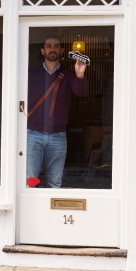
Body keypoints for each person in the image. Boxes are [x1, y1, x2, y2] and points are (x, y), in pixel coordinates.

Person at [26, 34, 89, 188]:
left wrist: (80, 75)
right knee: (30, 182)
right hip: (33, 134)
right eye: (48, 45)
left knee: (55, 182)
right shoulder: (31, 73)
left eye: (56, 46)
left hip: (58, 136)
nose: (52, 48)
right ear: (42, 50)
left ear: (61, 51)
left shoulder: (68, 75)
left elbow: (82, 92)